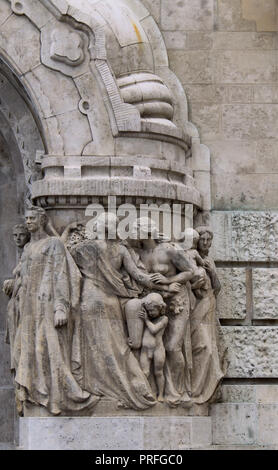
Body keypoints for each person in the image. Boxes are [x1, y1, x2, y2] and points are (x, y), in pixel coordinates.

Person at [12, 206, 99, 416]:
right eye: (27, 218)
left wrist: (61, 307)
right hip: (29, 308)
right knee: (31, 351)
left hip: (48, 305)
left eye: (33, 218)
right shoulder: (28, 248)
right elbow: (24, 274)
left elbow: (62, 274)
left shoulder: (53, 244)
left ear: (42, 220)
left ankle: (57, 399)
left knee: (51, 350)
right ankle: (37, 395)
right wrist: (13, 282)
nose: (29, 221)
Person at [71, 213, 163, 410]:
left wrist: (64, 232)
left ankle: (96, 386)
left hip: (89, 298)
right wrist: (162, 284)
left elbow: (64, 261)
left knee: (94, 345)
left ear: (97, 227)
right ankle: (132, 385)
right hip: (110, 300)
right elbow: (139, 276)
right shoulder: (120, 249)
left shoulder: (83, 248)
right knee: (118, 346)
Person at [190, 226, 227, 404]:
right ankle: (194, 390)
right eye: (202, 240)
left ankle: (205, 389)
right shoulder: (190, 259)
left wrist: (211, 271)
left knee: (210, 349)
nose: (205, 243)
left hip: (209, 304)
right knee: (201, 347)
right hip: (195, 306)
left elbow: (217, 288)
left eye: (208, 240)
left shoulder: (209, 260)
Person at [3, 224, 30, 374]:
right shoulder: (23, 254)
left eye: (21, 235)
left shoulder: (29, 251)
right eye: (15, 235)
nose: (18, 238)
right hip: (17, 305)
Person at [137, 294, 168, 402]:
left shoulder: (164, 319)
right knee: (144, 372)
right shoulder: (148, 318)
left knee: (158, 372)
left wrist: (146, 320)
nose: (150, 313)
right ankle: (148, 393)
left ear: (160, 308)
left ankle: (161, 395)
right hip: (145, 350)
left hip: (157, 350)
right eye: (148, 311)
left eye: (152, 311)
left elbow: (154, 330)